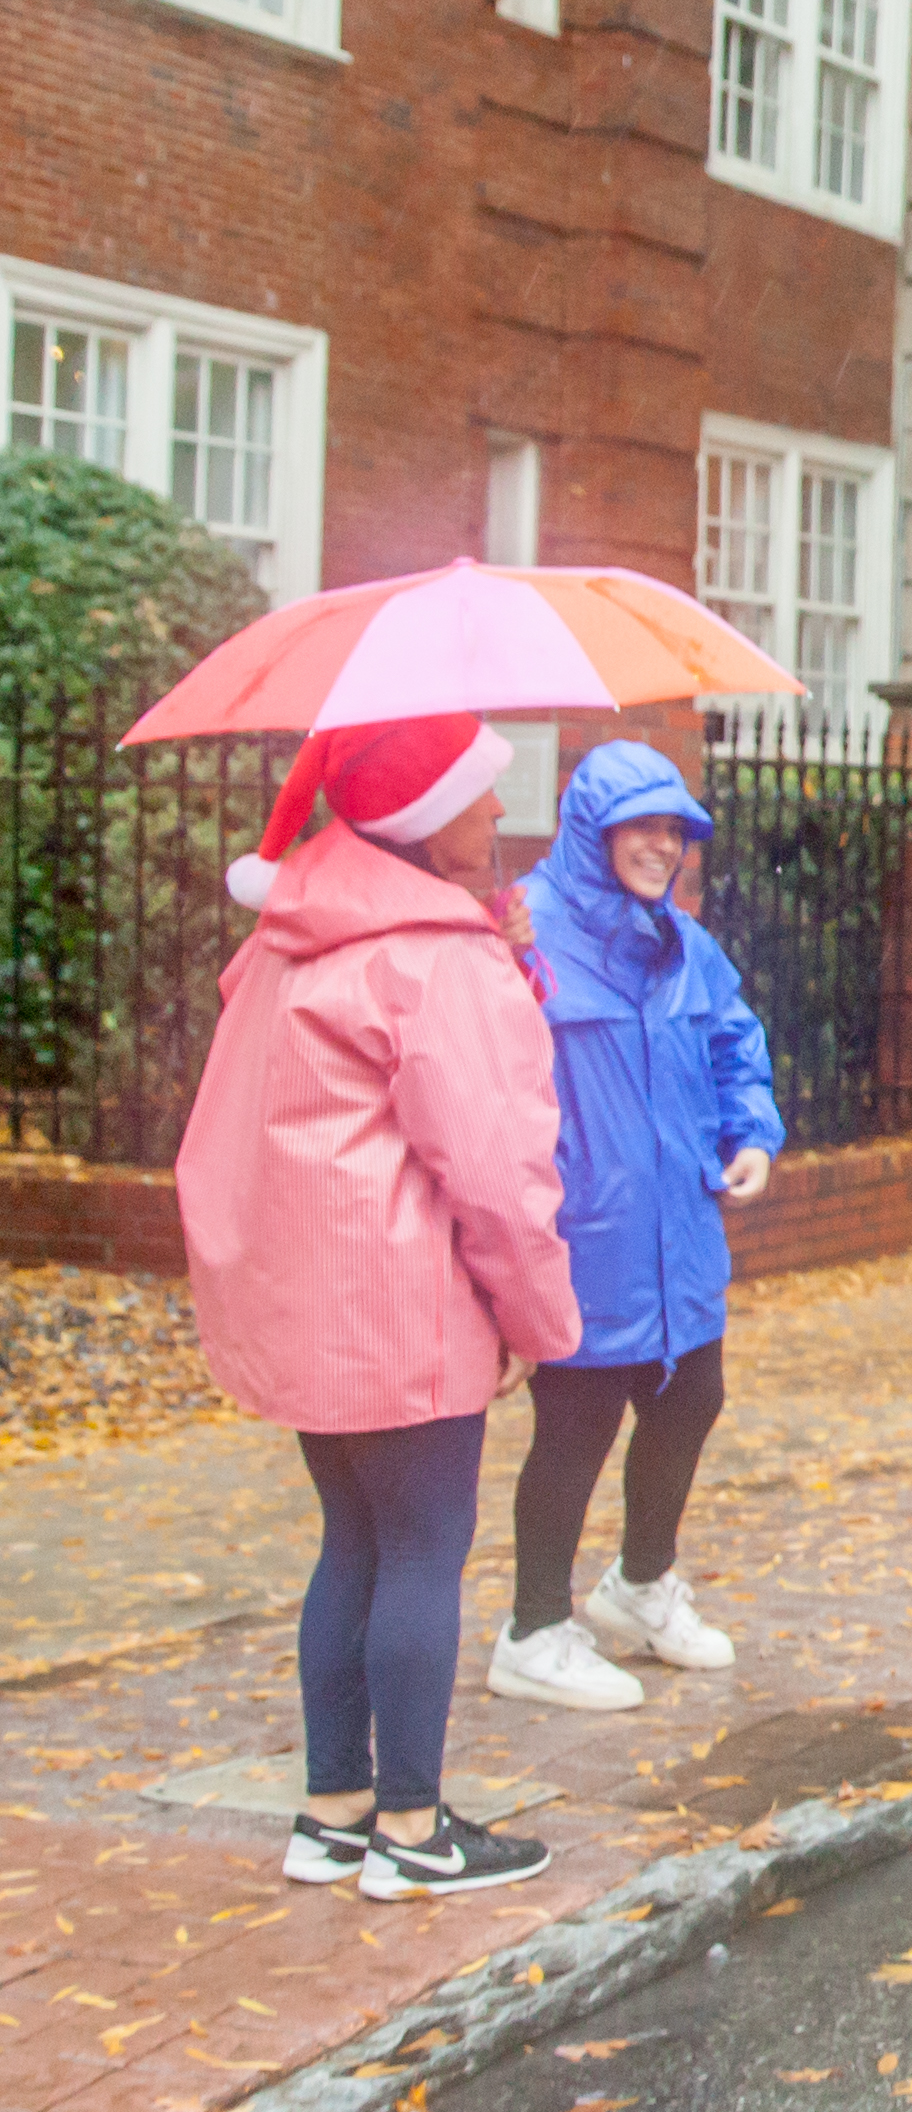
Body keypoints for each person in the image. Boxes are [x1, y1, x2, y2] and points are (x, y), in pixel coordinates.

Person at [174, 711, 581, 1901]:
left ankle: (334, 1807)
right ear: (421, 817)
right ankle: (412, 1826)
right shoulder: (433, 958)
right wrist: (538, 1323)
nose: (501, 813)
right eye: (481, 793)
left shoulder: (290, 942)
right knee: (424, 1549)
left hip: (310, 1305)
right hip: (406, 1305)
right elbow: (500, 1170)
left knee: (351, 1540)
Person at [486, 742, 784, 1714]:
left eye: (677, 829)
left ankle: (639, 1587)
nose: (664, 845)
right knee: (576, 1425)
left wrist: (753, 1132)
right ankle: (534, 1629)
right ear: (591, 830)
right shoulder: (524, 934)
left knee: (692, 1397)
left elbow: (737, 1039)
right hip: (585, 1238)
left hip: (679, 1233)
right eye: (644, 825)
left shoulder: (685, 945)